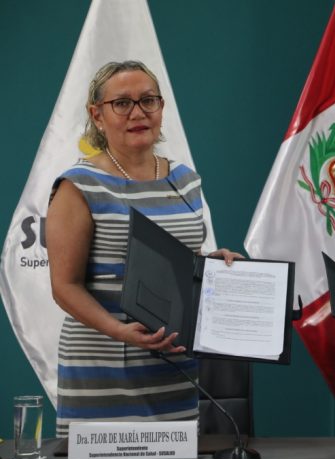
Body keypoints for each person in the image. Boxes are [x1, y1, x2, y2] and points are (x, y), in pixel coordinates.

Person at [46, 60, 242, 437]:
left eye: (148, 100)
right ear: (97, 115)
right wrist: (119, 331)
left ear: (161, 107)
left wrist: (210, 267)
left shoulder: (185, 180)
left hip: (174, 371)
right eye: (122, 103)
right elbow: (64, 286)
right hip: (102, 374)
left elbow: (176, 263)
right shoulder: (79, 185)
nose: (138, 113)